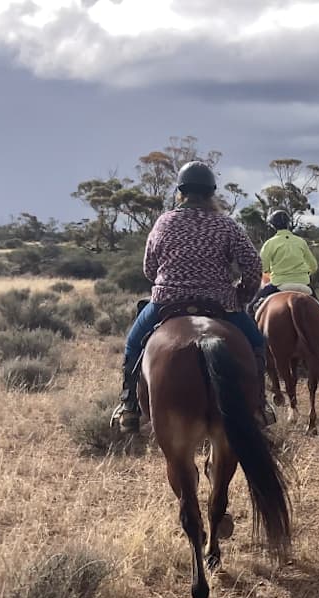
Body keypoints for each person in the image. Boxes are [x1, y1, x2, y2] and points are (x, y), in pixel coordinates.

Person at [111, 161, 270, 433]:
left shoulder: (164, 222)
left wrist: (171, 281)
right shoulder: (226, 224)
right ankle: (259, 405)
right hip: (220, 303)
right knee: (256, 344)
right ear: (211, 193)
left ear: (180, 192)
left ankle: (129, 406)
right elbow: (253, 265)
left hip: (167, 302)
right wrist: (241, 296)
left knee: (133, 344)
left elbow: (149, 269)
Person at [249, 209, 319, 310]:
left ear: (273, 226)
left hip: (279, 284)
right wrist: (303, 274)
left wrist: (270, 271)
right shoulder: (301, 241)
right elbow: (313, 266)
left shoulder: (270, 243)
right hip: (303, 284)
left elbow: (263, 267)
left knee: (251, 308)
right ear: (288, 224)